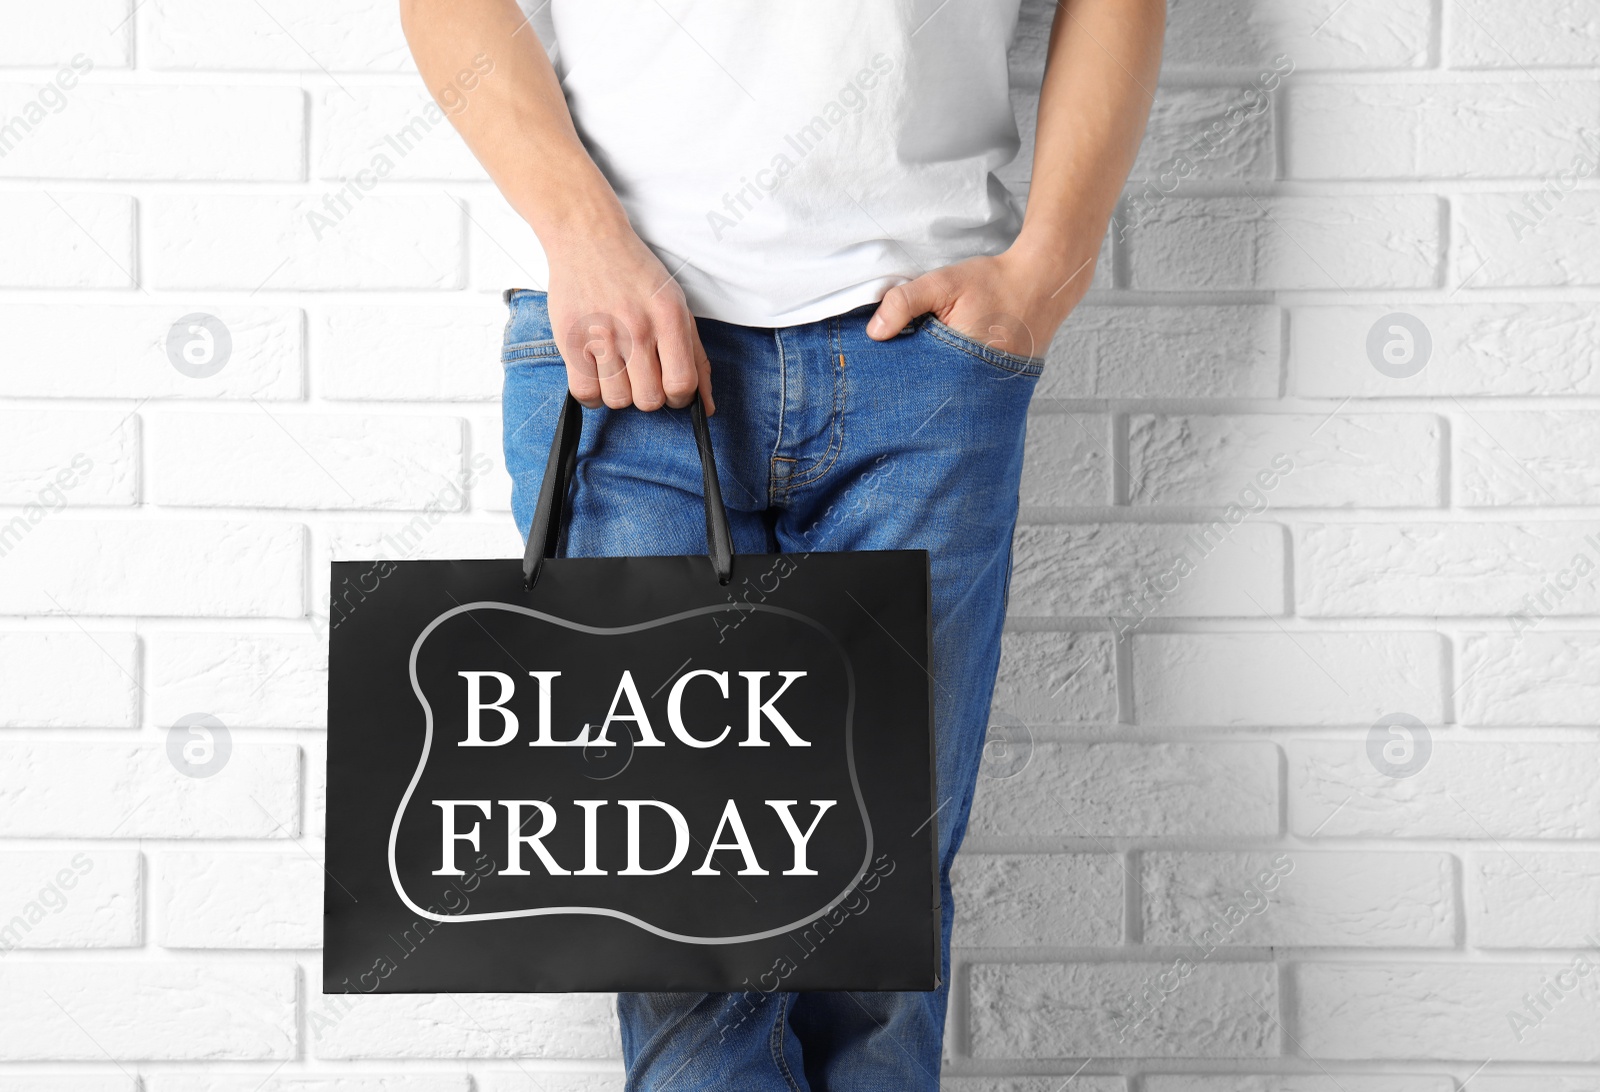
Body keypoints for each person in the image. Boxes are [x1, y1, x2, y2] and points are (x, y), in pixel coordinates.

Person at [400, 1, 1164, 1087]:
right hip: (617, 349)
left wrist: (1046, 271)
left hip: (923, 354)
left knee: (879, 919)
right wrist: (585, 240)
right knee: (666, 925)